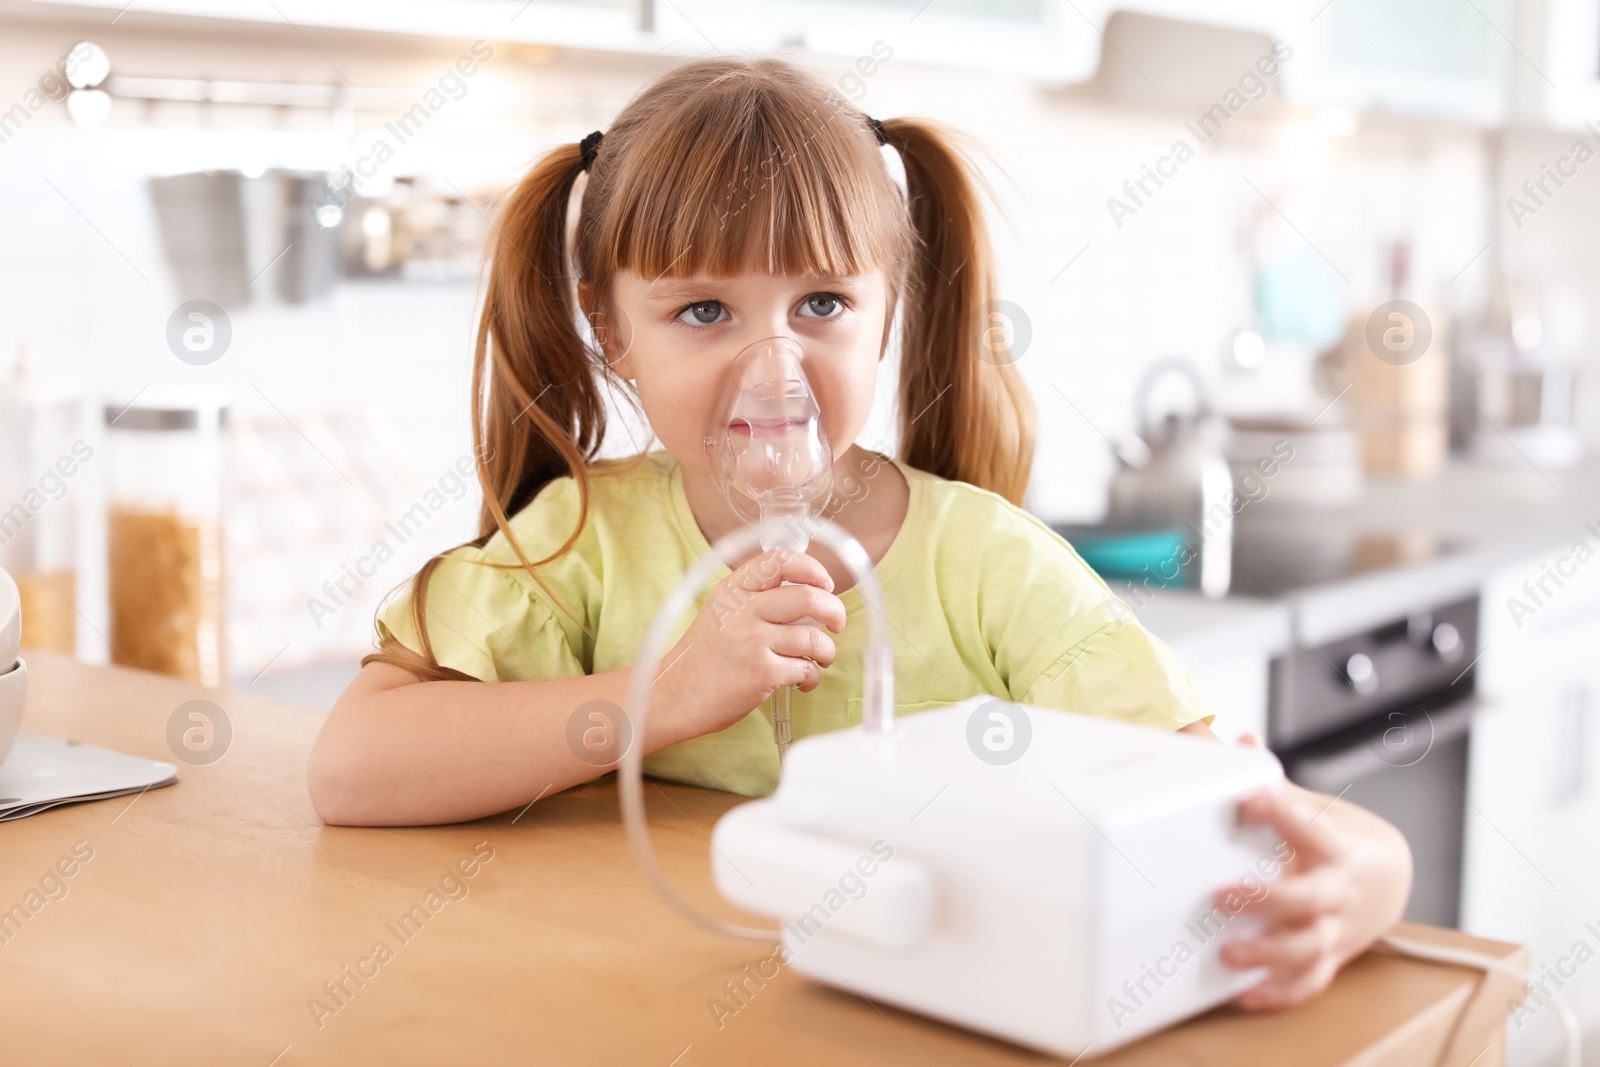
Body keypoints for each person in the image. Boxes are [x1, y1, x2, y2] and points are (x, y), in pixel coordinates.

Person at [309, 55, 1411, 1010]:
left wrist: (1366, 877)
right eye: (703, 310)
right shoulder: (582, 542)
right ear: (611, 327)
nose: (772, 366)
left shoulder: (989, 566)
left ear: (889, 306)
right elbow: (354, 768)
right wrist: (671, 691)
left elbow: (1268, 816)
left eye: (822, 303)